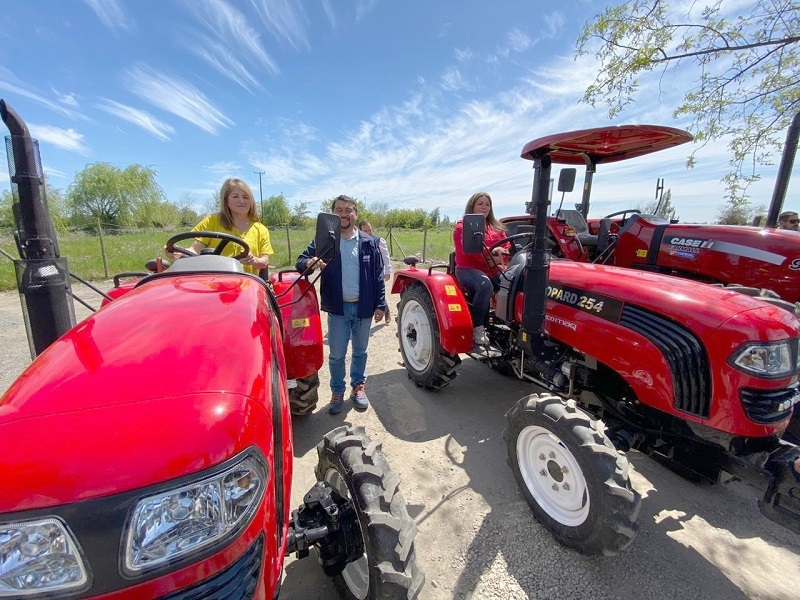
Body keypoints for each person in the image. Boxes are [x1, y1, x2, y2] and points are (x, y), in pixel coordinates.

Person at [296, 195, 388, 414]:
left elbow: (377, 275)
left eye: (348, 210)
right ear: (333, 215)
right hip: (338, 309)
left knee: (360, 351)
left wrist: (381, 304)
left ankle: (358, 387)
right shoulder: (325, 241)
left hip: (364, 308)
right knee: (337, 354)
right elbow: (300, 261)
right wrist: (309, 263)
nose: (344, 214)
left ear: (356, 214)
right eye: (339, 210)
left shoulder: (369, 242)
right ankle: (337, 390)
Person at [168, 178, 273, 275]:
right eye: (235, 196)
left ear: (251, 201)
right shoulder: (212, 221)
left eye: (245, 197)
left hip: (247, 285)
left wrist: (254, 260)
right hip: (215, 281)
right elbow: (195, 250)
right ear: (226, 200)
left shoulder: (261, 229)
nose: (241, 201)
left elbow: (264, 262)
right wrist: (177, 251)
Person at [452, 192, 509, 346]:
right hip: (467, 268)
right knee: (485, 285)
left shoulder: (496, 227)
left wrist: (502, 253)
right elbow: (467, 250)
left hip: (494, 267)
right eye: (480, 203)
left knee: (514, 280)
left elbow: (506, 245)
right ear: (472, 206)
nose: (484, 207)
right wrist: (492, 257)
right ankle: (479, 328)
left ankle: (510, 325)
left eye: (487, 204)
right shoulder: (462, 226)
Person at [359, 220, 392, 323]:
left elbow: (386, 256)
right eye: (365, 231)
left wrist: (388, 271)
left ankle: (386, 311)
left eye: (370, 230)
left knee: (379, 293)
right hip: (364, 273)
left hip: (377, 272)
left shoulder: (379, 240)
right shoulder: (357, 242)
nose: (368, 233)